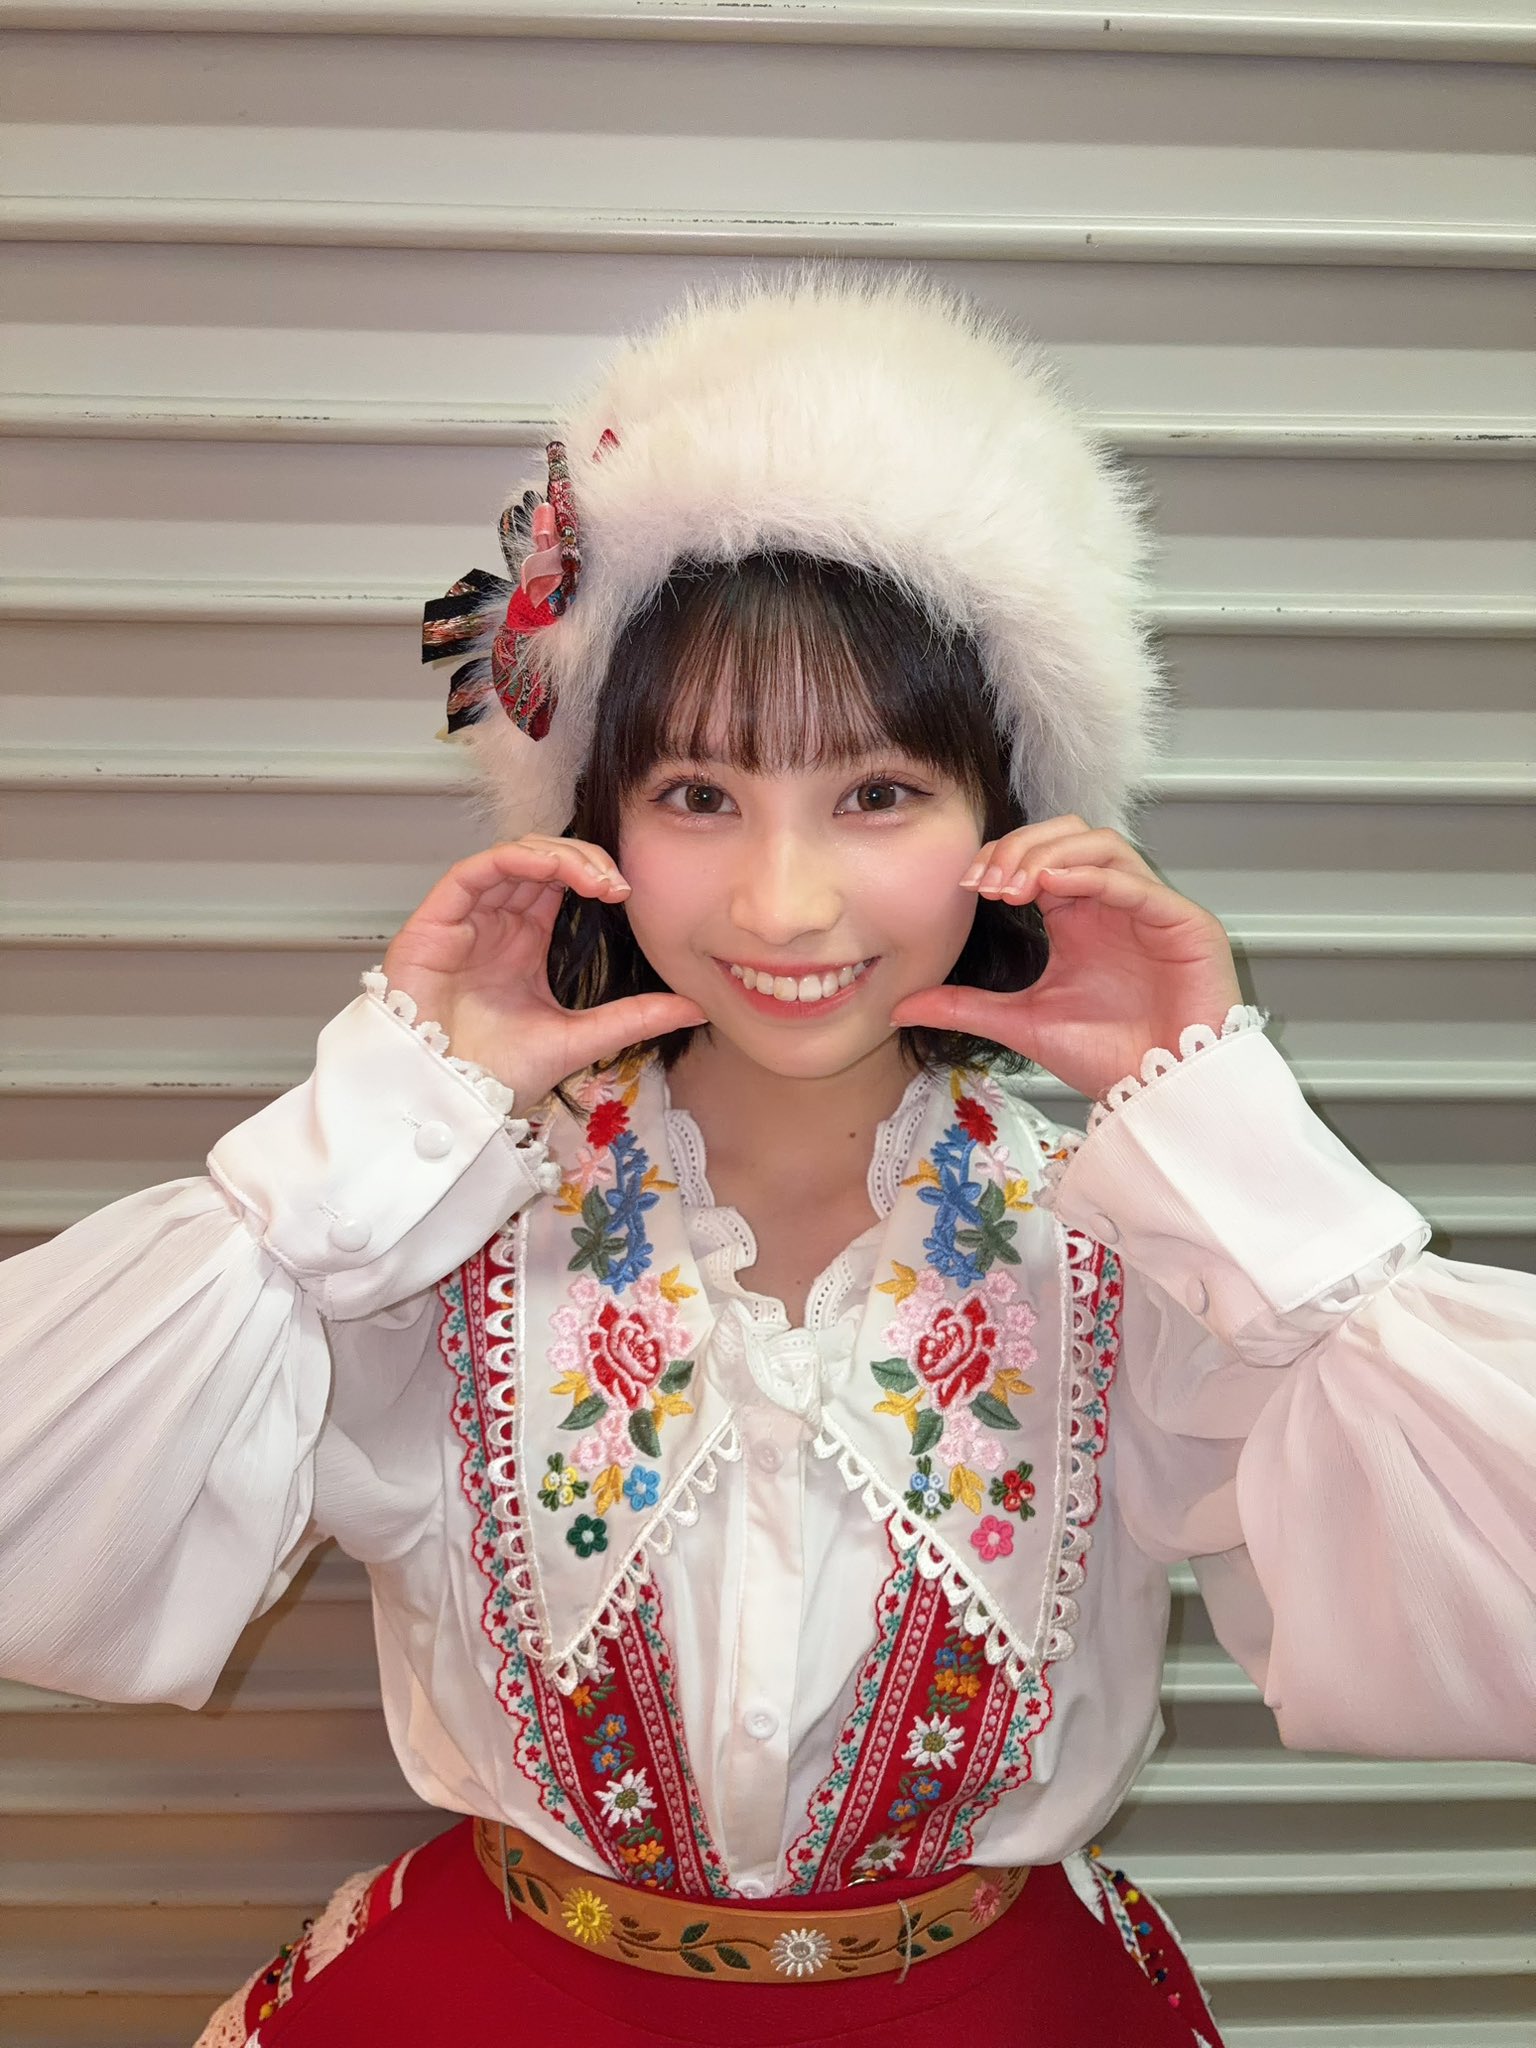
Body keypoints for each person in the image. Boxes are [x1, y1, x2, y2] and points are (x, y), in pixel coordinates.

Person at [1, 268, 1532, 2048]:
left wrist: (1220, 1129)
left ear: (1010, 824)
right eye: (698, 797)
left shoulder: (1138, 1251)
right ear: (595, 830)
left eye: (877, 794)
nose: (785, 903)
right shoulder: (430, 1230)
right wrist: (381, 1124)